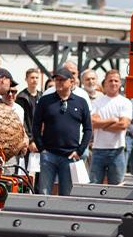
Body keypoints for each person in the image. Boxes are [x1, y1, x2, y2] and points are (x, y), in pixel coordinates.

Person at [31, 67, 92, 195]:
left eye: (62, 80)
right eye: (57, 79)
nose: (59, 82)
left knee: (66, 195)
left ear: (72, 82)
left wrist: (79, 151)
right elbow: (35, 126)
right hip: (49, 155)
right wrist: (42, 149)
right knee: (44, 193)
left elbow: (88, 129)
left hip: (70, 156)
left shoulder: (81, 102)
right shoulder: (45, 101)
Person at [89, 70, 132, 184]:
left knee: (117, 186)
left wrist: (102, 125)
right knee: (94, 186)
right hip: (98, 149)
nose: (113, 83)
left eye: (116, 81)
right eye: (110, 80)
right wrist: (112, 120)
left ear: (120, 83)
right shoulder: (97, 102)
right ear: (105, 82)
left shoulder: (125, 102)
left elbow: (123, 125)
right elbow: (92, 122)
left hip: (117, 150)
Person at [15, 68, 42, 152]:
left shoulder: (42, 96)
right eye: (32, 77)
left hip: (40, 139)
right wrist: (30, 140)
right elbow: (21, 120)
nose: (35, 80)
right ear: (26, 79)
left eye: (37, 78)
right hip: (27, 139)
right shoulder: (21, 97)